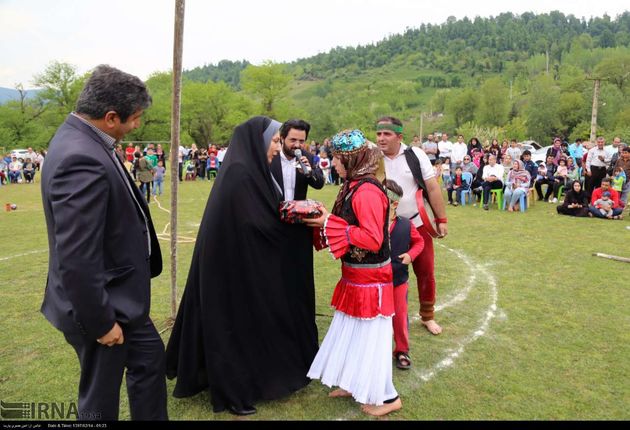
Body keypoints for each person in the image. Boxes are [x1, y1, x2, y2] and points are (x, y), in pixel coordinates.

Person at [166, 116, 318, 416]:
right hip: (232, 270)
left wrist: (297, 215)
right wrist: (296, 223)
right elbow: (254, 224)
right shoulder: (241, 174)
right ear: (258, 141)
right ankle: (233, 392)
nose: (278, 148)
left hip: (244, 266)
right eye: (275, 141)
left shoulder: (251, 171)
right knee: (233, 329)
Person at [40, 65, 166, 420]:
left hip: (123, 300)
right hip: (102, 307)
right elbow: (77, 255)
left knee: (150, 360)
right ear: (111, 117)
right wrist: (100, 323)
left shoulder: (87, 139)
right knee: (100, 401)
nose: (137, 126)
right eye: (135, 119)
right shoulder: (80, 156)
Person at [304, 129, 402, 417]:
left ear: (351, 159)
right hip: (356, 276)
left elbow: (372, 238)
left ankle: (388, 397)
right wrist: (327, 218)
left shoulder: (368, 190)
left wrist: (329, 222)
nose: (332, 164)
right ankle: (354, 382)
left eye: (336, 159)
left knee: (372, 336)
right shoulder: (352, 185)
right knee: (356, 333)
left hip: (371, 280)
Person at [377, 116, 448, 335]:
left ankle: (427, 316)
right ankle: (384, 315)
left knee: (425, 272)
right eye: (378, 133)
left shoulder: (415, 155)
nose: (381, 138)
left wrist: (441, 219)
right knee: (385, 272)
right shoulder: (372, 157)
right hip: (384, 228)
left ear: (399, 137)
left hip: (417, 224)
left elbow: (432, 188)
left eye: (387, 134)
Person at [383, 179, 424, 371]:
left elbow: (420, 243)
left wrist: (410, 255)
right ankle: (377, 350)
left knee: (399, 317)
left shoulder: (406, 225)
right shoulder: (372, 225)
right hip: (376, 282)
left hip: (399, 280)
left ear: (394, 203)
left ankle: (401, 350)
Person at [270, 119, 325, 201]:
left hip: (297, 212)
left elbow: (319, 184)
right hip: (272, 212)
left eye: (301, 141)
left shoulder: (308, 157)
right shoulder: (271, 156)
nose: (297, 145)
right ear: (282, 138)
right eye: (293, 140)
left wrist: (309, 172)